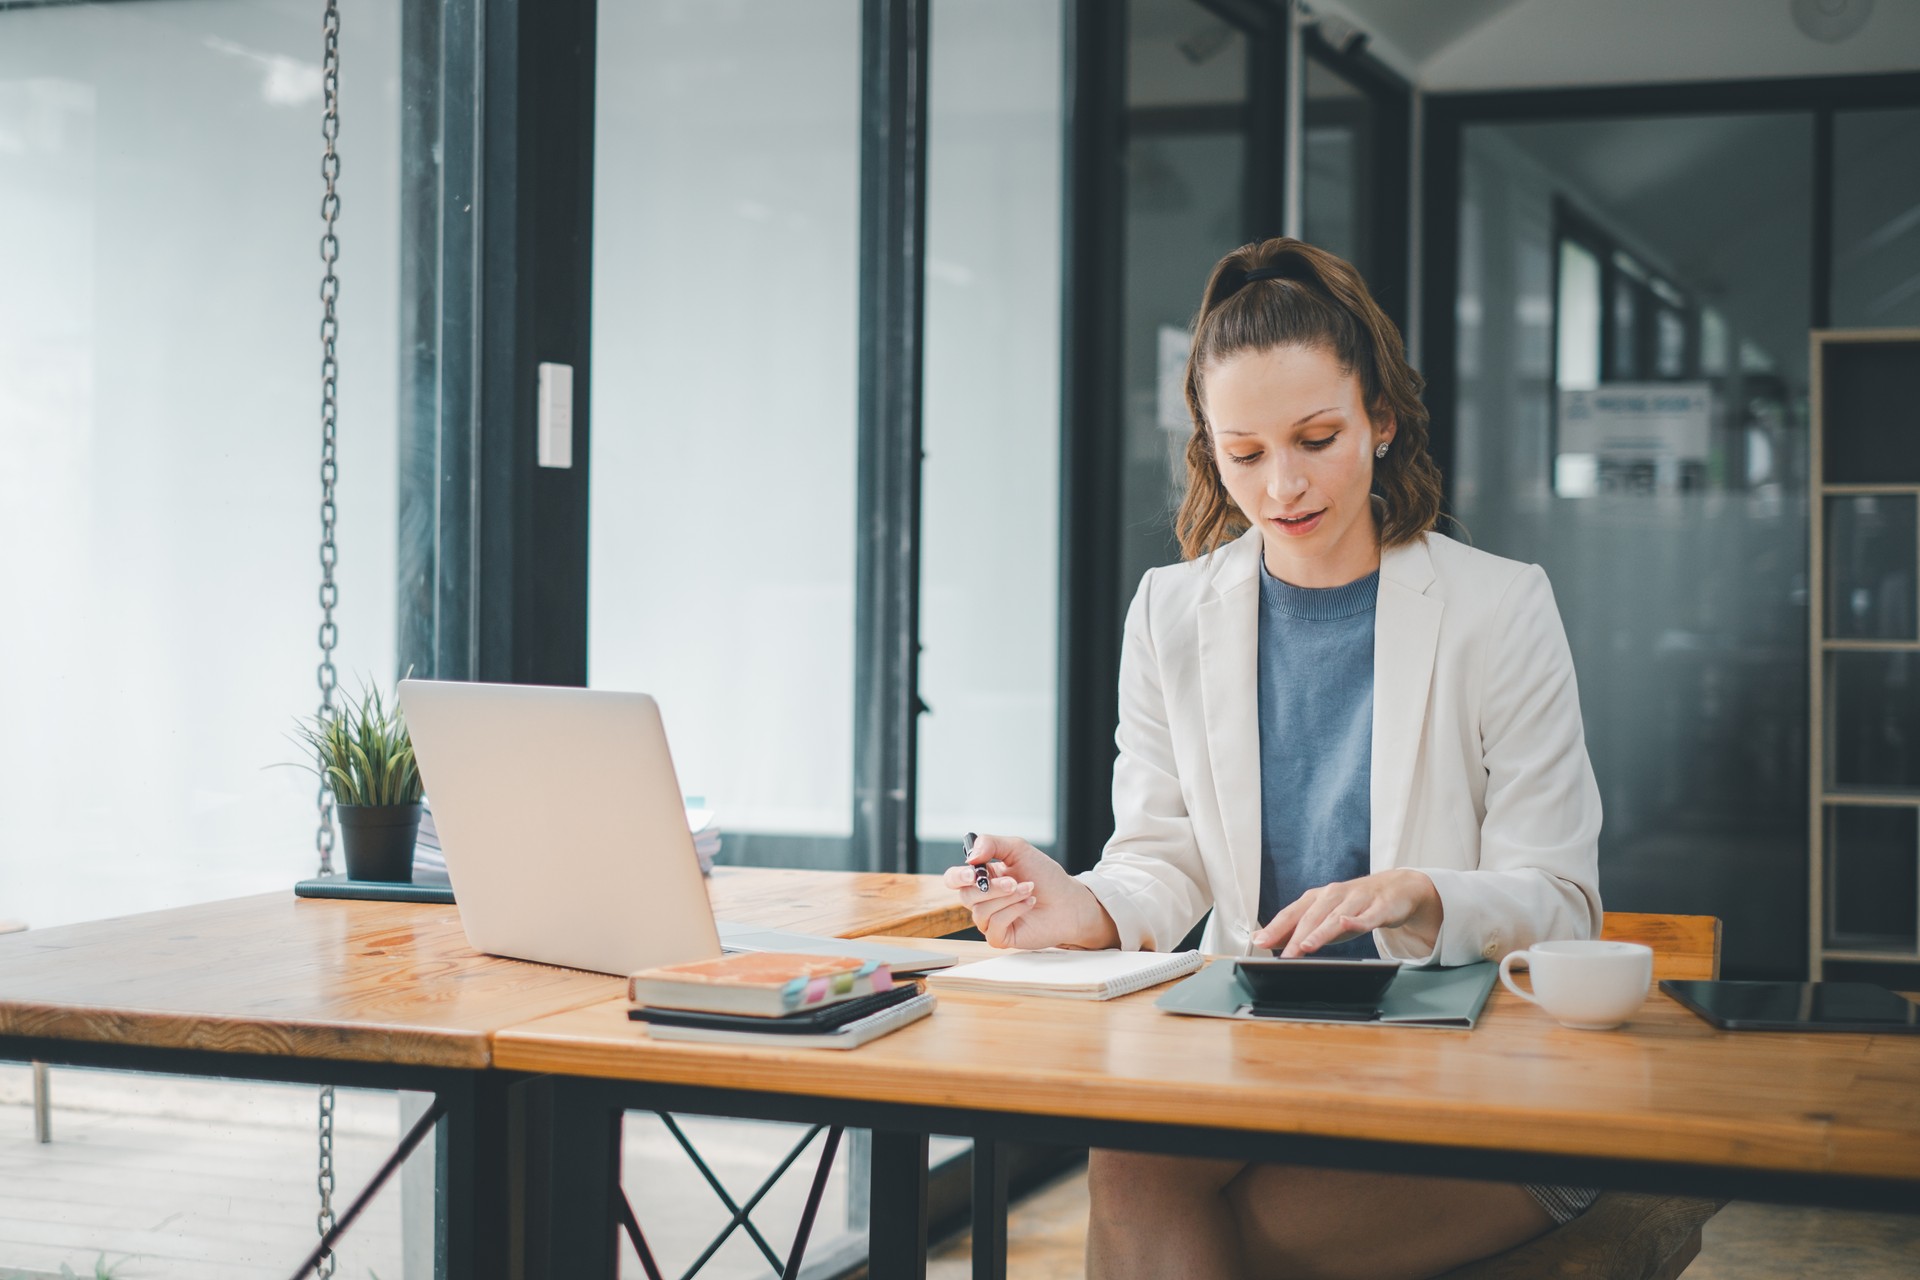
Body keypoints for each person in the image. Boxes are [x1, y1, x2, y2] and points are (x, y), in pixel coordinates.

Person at [946, 237, 1604, 1280]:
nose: (1284, 484)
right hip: (1259, 1056)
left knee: (1184, 1226)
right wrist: (1083, 906)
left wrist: (1420, 891)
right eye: (1244, 452)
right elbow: (1161, 857)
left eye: (1317, 437)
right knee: (1131, 1165)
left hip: (1469, 1073)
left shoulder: (1500, 606)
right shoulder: (1172, 610)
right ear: (1210, 449)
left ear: (1381, 419)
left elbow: (1563, 899)